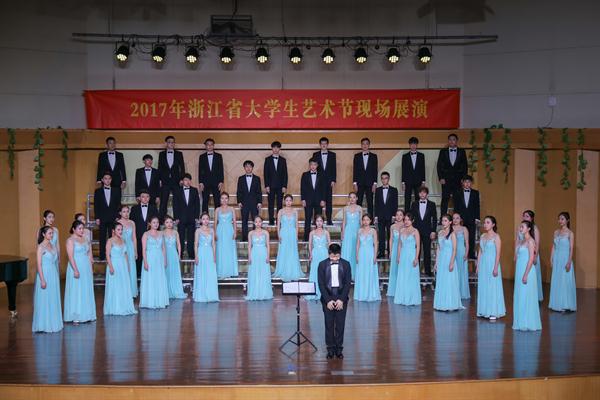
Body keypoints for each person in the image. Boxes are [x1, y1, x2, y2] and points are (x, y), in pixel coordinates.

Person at [318, 243, 352, 359]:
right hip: (327, 297)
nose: (335, 259)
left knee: (340, 324)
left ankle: (339, 349)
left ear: (340, 254)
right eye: (332, 256)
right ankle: (330, 349)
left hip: (341, 297)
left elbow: (347, 283)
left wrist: (341, 300)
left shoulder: (346, 264)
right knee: (329, 324)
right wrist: (328, 300)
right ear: (329, 254)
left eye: (337, 256)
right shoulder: (322, 265)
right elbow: (321, 284)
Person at [64, 220, 96, 323]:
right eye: (79, 228)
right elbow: (70, 257)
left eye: (83, 228)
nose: (82, 230)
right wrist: (75, 270)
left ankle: (86, 314)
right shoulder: (70, 240)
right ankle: (75, 315)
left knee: (85, 289)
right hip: (76, 266)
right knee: (76, 290)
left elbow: (89, 254)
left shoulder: (85, 239)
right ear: (74, 229)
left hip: (85, 266)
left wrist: (91, 268)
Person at [32, 226, 63, 333]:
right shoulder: (40, 247)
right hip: (44, 273)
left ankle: (53, 322)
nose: (52, 235)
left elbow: (55, 260)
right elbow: (39, 264)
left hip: (53, 273)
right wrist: (42, 279)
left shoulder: (52, 245)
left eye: (52, 233)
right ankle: (44, 324)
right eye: (50, 233)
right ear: (43, 234)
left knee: (53, 297)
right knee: (44, 299)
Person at [513, 220, 541, 331]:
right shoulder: (521, 241)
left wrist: (525, 274)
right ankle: (520, 321)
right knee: (520, 295)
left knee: (526, 295)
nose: (520, 229)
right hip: (519, 270)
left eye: (522, 227)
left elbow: (531, 259)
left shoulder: (531, 241)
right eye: (520, 227)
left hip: (527, 271)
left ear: (529, 229)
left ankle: (528, 322)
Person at [104, 222, 137, 316]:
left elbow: (125, 254)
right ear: (113, 231)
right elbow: (107, 255)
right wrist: (110, 266)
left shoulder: (123, 240)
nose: (120, 231)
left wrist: (127, 266)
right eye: (118, 229)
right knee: (115, 285)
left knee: (123, 285)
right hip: (114, 264)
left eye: (121, 229)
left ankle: (124, 306)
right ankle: (115, 307)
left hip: (122, 265)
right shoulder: (110, 241)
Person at [476, 216, 505, 320]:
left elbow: (498, 254)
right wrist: (478, 265)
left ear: (493, 224)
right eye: (484, 222)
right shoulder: (483, 236)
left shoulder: (496, 237)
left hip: (492, 263)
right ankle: (483, 310)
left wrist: (496, 267)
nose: (485, 224)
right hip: (483, 264)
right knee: (484, 286)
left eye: (488, 222)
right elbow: (480, 251)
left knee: (492, 286)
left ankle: (493, 311)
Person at [433, 214, 463, 311]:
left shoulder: (453, 234)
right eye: (442, 220)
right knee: (442, 280)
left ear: (450, 222)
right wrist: (436, 262)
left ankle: (450, 304)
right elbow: (438, 248)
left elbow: (454, 249)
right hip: (442, 259)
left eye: (445, 220)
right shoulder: (440, 233)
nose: (443, 222)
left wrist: (452, 262)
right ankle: (441, 303)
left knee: (449, 281)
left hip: (449, 258)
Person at [549, 212, 577, 312]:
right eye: (559, 219)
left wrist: (569, 261)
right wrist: (551, 258)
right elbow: (554, 246)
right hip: (557, 259)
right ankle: (557, 303)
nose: (560, 221)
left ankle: (565, 305)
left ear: (567, 220)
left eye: (562, 219)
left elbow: (571, 248)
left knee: (565, 281)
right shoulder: (556, 232)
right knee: (557, 280)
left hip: (565, 258)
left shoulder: (570, 233)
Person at [139, 216, 169, 309]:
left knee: (159, 278)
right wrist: (145, 262)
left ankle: (160, 300)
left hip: (159, 259)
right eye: (154, 222)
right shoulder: (146, 234)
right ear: (149, 224)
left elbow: (163, 248)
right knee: (150, 279)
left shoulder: (161, 233)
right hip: (150, 258)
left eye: (157, 222)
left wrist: (165, 260)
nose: (156, 224)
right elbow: (143, 250)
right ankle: (150, 301)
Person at [273, 194, 304, 282]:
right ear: (284, 201)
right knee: (284, 251)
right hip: (283, 233)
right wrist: (278, 235)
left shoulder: (295, 211)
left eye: (290, 200)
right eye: (287, 200)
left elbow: (297, 224)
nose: (288, 202)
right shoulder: (281, 211)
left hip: (292, 233)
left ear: (292, 201)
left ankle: (292, 270)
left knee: (292, 251)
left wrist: (296, 235)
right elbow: (278, 224)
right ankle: (283, 270)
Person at [393, 212, 421, 306]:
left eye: (408, 220)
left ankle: (412, 298)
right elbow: (399, 245)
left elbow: (418, 246)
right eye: (405, 220)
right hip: (403, 255)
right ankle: (403, 297)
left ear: (412, 221)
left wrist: (416, 258)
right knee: (403, 276)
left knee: (411, 276)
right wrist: (398, 256)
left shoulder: (415, 231)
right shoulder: (401, 231)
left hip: (411, 255)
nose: (406, 221)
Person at [436, 133, 467, 217]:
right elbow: (439, 165)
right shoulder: (443, 151)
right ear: (448, 141)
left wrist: (464, 179)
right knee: (445, 199)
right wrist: (441, 178)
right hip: (446, 180)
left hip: (458, 180)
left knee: (457, 200)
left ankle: (457, 219)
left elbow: (464, 166)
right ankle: (443, 219)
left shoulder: (462, 151)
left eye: (453, 139)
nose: (452, 141)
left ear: (456, 141)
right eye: (450, 139)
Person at [410, 186, 437, 276]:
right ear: (418, 194)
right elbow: (411, 218)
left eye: (424, 192)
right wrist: (411, 230)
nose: (422, 194)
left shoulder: (432, 204)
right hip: (416, 231)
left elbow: (434, 219)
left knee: (427, 252)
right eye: (420, 192)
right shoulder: (414, 204)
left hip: (427, 231)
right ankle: (415, 271)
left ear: (427, 194)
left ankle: (428, 271)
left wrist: (433, 231)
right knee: (416, 252)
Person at [193, 213, 220, 302]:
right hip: (201, 253)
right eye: (203, 219)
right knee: (201, 273)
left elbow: (213, 244)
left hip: (209, 253)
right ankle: (201, 294)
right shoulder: (198, 231)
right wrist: (196, 256)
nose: (205, 220)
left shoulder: (212, 230)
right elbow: (195, 244)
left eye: (207, 219)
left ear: (209, 220)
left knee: (210, 273)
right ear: (201, 220)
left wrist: (214, 255)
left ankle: (211, 294)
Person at [94, 172, 122, 260]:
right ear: (102, 180)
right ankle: (102, 256)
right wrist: (97, 217)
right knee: (102, 237)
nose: (107, 180)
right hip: (102, 217)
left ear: (111, 180)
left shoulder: (116, 190)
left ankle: (112, 255)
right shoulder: (98, 191)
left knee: (112, 236)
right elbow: (96, 205)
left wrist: (117, 216)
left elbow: (118, 204)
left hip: (113, 217)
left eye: (109, 178)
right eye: (105, 178)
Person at [354, 214, 381, 302]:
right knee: (362, 273)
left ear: (370, 221)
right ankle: (362, 294)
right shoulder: (359, 231)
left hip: (370, 253)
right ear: (362, 221)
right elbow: (357, 244)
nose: (365, 222)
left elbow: (376, 244)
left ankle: (370, 293)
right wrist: (357, 255)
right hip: (361, 253)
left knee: (370, 272)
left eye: (367, 220)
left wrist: (375, 256)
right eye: (364, 220)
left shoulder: (373, 231)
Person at [173, 173, 200, 260]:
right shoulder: (177, 190)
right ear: (182, 181)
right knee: (180, 237)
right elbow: (175, 204)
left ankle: (191, 254)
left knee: (191, 238)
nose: (187, 181)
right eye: (185, 180)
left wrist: (196, 217)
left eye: (189, 180)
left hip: (192, 218)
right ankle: (179, 254)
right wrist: (176, 217)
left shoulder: (194, 190)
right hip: (181, 218)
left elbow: (197, 204)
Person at [245, 215, 273, 300]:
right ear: (254, 223)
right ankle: (254, 292)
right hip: (254, 254)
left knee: (263, 272)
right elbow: (249, 246)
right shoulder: (250, 233)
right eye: (256, 222)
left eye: (259, 221)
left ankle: (264, 292)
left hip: (263, 253)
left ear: (262, 223)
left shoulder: (265, 232)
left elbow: (268, 245)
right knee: (254, 272)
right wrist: (249, 257)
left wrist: (268, 256)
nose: (258, 223)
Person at [130, 191, 159, 274]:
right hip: (138, 236)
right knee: (138, 256)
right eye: (143, 196)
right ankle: (139, 276)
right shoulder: (134, 208)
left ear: (149, 198)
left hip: (150, 237)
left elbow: (156, 222)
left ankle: (150, 275)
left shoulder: (154, 208)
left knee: (149, 257)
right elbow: (132, 223)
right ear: (139, 198)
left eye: (147, 196)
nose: (145, 198)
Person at [158, 135, 185, 218]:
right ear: (166, 143)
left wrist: (182, 179)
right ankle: (162, 219)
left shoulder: (179, 154)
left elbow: (182, 167)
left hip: (176, 181)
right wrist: (159, 179)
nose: (171, 144)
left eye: (173, 142)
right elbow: (160, 167)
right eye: (169, 142)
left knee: (177, 201)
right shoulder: (161, 154)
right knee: (163, 201)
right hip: (165, 181)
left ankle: (177, 219)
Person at [453, 175, 480, 259]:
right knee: (459, 236)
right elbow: (456, 206)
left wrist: (477, 218)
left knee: (471, 236)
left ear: (471, 183)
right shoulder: (457, 192)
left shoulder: (475, 193)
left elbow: (477, 206)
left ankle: (471, 254)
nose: (467, 184)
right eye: (466, 182)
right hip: (461, 218)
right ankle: (457, 252)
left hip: (471, 218)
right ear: (463, 183)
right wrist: (457, 218)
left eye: (469, 182)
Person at [519, 210, 543, 301]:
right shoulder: (521, 228)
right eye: (524, 216)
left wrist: (535, 256)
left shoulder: (535, 229)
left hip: (532, 255)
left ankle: (534, 296)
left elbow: (537, 243)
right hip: (523, 255)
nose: (525, 217)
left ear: (532, 218)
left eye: (527, 216)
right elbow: (518, 241)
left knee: (532, 276)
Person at [306, 215, 331, 301]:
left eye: (321, 221)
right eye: (317, 221)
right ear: (315, 222)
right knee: (315, 271)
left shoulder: (326, 232)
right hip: (315, 253)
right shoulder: (312, 233)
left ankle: (325, 293)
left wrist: (330, 255)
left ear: (323, 222)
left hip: (324, 253)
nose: (319, 223)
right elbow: (310, 244)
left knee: (325, 272)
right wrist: (310, 254)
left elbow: (329, 244)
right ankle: (314, 291)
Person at [313, 137, 337, 225]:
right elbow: (313, 167)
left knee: (329, 201)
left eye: (325, 143)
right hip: (318, 182)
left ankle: (329, 219)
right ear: (320, 145)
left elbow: (334, 168)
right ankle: (316, 220)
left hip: (329, 182)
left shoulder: (332, 155)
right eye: (322, 143)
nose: (323, 145)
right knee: (318, 201)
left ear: (327, 144)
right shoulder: (315, 154)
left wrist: (333, 180)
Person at [300, 159, 326, 241]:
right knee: (307, 219)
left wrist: (323, 199)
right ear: (309, 165)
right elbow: (302, 188)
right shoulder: (305, 175)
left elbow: (324, 188)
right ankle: (306, 238)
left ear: (317, 165)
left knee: (319, 219)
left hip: (319, 200)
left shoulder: (322, 175)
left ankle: (319, 237)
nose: (313, 166)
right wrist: (303, 199)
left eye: (314, 164)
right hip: (308, 200)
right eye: (311, 164)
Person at [236, 160, 262, 241]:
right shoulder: (241, 178)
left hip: (254, 203)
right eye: (246, 166)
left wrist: (259, 202)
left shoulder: (257, 178)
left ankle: (255, 237)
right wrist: (239, 201)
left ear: (252, 168)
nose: (248, 168)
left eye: (250, 166)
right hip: (244, 203)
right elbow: (239, 191)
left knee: (256, 221)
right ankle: (244, 237)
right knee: (244, 220)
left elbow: (259, 191)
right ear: (244, 168)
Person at [375, 171, 399, 258]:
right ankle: (381, 252)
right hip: (380, 216)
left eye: (385, 178)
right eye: (382, 178)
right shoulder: (377, 190)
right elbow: (376, 204)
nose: (384, 180)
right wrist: (376, 216)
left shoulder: (394, 190)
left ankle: (390, 252)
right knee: (381, 235)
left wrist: (394, 216)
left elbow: (395, 204)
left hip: (390, 216)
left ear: (388, 179)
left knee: (390, 235)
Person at [215, 192, 239, 279]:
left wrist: (235, 232)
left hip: (229, 230)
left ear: (228, 199)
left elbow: (235, 222)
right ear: (220, 199)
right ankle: (220, 270)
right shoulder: (217, 209)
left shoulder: (232, 209)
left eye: (226, 198)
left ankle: (230, 270)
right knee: (220, 250)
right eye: (222, 198)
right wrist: (215, 233)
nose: (224, 200)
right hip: (220, 231)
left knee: (229, 250)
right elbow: (215, 222)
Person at [264, 141, 288, 226]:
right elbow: (265, 173)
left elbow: (285, 174)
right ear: (272, 148)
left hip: (280, 186)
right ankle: (271, 220)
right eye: (274, 147)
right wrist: (266, 185)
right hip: (270, 186)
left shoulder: (283, 160)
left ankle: (279, 220)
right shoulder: (267, 159)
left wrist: (284, 186)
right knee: (270, 204)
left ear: (279, 149)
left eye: (277, 147)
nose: (275, 149)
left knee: (279, 204)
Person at [353, 137, 378, 218]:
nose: (365, 145)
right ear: (361, 145)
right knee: (358, 201)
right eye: (363, 144)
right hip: (359, 182)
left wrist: (375, 183)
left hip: (370, 183)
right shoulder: (357, 156)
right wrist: (354, 183)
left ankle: (371, 220)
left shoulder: (374, 156)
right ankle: (358, 219)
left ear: (369, 145)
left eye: (366, 144)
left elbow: (375, 170)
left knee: (370, 202)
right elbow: (355, 170)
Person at [116, 205, 138, 297]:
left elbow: (134, 237)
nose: (126, 213)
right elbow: (114, 238)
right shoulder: (117, 223)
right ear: (120, 213)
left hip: (130, 247)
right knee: (123, 268)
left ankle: (131, 292)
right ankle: (122, 292)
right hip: (121, 247)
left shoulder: (132, 223)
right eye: (124, 211)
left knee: (131, 268)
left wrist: (135, 251)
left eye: (127, 211)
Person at [198, 138, 225, 214]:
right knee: (205, 200)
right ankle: (204, 217)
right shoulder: (202, 156)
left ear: (213, 146)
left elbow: (221, 169)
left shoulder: (219, 156)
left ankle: (218, 217)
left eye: (211, 145)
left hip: (216, 182)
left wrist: (221, 181)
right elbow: (200, 170)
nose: (209, 146)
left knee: (217, 200)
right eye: (208, 145)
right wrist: (201, 182)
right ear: (205, 146)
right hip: (205, 182)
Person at [163, 216, 187, 299]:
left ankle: (176, 290)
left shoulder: (175, 232)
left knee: (174, 272)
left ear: (173, 223)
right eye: (167, 222)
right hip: (165, 255)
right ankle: (167, 291)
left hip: (174, 254)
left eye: (171, 222)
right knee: (166, 272)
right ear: (164, 224)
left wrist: (179, 255)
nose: (169, 224)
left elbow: (179, 244)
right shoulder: (162, 233)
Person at [340, 192, 362, 278]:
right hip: (348, 231)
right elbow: (344, 221)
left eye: (354, 197)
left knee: (355, 250)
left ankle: (355, 274)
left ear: (356, 198)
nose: (352, 199)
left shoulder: (359, 208)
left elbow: (361, 221)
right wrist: (343, 232)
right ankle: (346, 274)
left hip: (357, 231)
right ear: (348, 198)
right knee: (348, 250)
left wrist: (362, 232)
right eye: (350, 197)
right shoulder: (345, 208)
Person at [401, 137, 426, 210]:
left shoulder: (421, 156)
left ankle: (417, 214)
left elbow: (423, 169)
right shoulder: (405, 156)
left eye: (415, 144)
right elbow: (403, 170)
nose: (413, 145)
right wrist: (403, 182)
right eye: (412, 144)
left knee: (418, 199)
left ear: (417, 145)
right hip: (408, 181)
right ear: (409, 145)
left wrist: (423, 181)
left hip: (418, 181)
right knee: (407, 199)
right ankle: (406, 215)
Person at [386, 209, 405, 297]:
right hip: (394, 249)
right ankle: (394, 290)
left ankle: (402, 289)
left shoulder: (406, 225)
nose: (398, 216)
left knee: (402, 268)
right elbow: (391, 239)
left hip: (403, 249)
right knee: (394, 269)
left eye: (400, 215)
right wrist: (390, 251)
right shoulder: (392, 226)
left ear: (403, 216)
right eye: (397, 215)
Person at [452, 212, 470, 299]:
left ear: (460, 219)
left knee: (461, 271)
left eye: (457, 218)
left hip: (461, 252)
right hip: (452, 252)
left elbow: (467, 243)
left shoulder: (464, 229)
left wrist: (466, 253)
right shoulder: (450, 228)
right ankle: (453, 292)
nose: (455, 220)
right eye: (454, 218)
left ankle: (461, 292)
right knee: (453, 271)